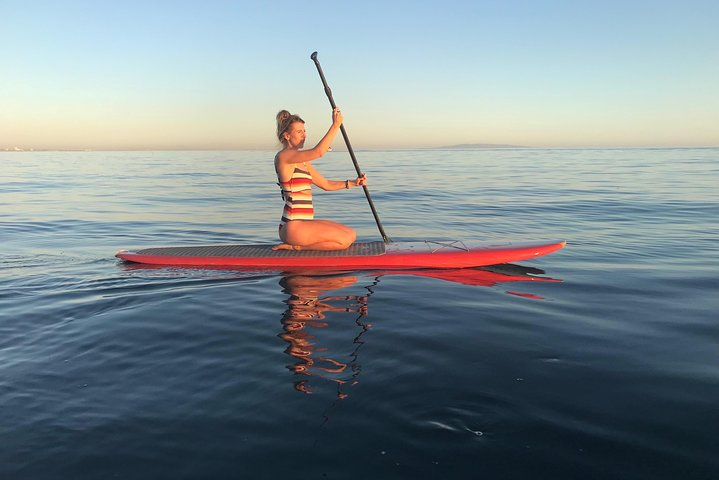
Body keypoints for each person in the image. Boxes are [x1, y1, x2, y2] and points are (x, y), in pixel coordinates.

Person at [273, 107, 366, 251]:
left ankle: (301, 245)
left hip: (304, 224)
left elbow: (326, 184)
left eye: (304, 131)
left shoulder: (302, 162)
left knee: (351, 234)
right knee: (344, 240)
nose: (304, 135)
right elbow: (319, 152)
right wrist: (335, 125)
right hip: (292, 226)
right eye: (299, 132)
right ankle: (298, 247)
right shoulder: (283, 157)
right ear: (287, 136)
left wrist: (352, 183)